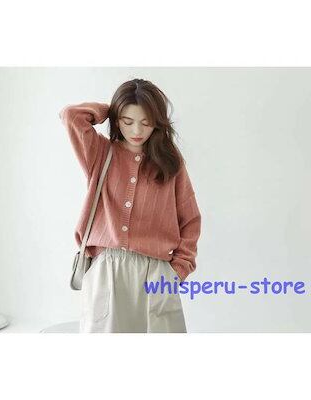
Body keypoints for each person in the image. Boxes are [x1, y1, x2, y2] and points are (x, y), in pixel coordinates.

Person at [59, 78, 201, 333]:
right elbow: (71, 115)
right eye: (127, 121)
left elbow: (190, 219)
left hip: (156, 272)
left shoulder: (169, 161)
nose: (137, 130)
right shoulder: (100, 153)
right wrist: (112, 109)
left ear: (157, 123)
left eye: (146, 122)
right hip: (107, 270)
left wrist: (178, 270)